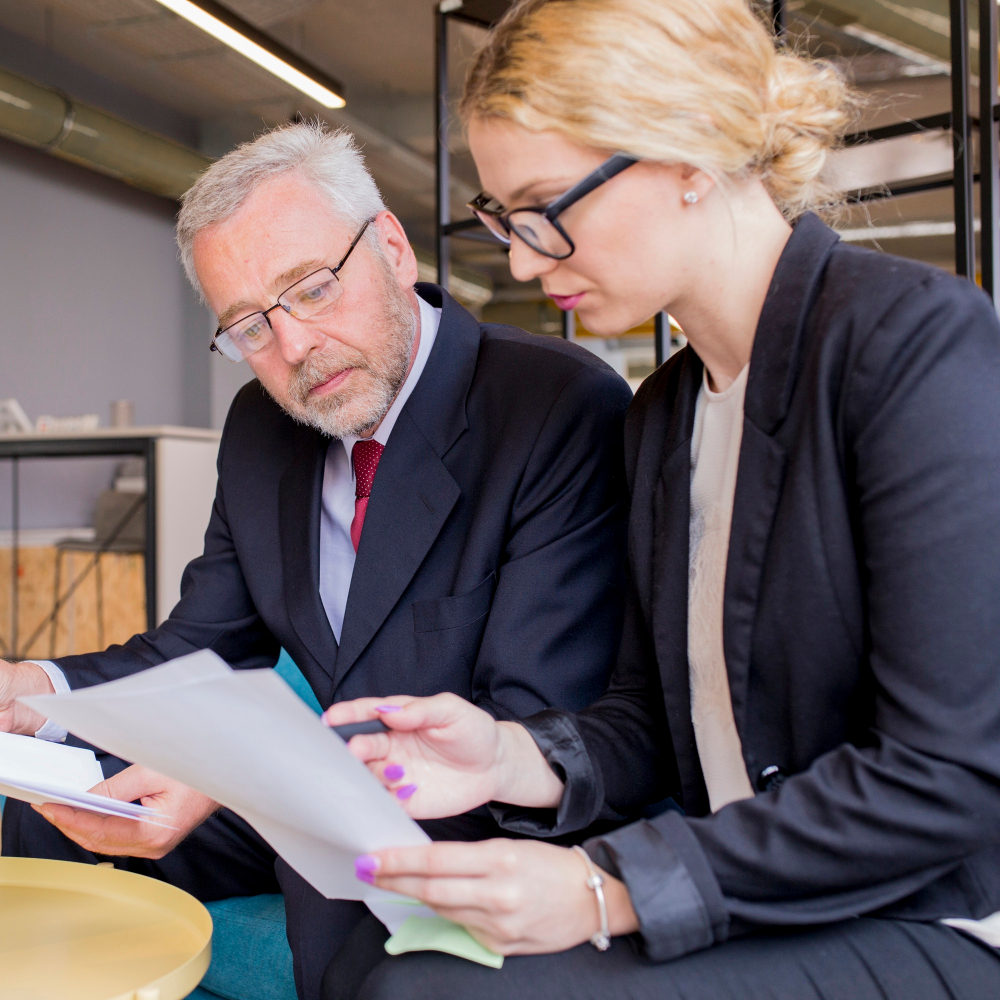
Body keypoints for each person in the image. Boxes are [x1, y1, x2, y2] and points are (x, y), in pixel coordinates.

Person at [318, 0, 1000, 997]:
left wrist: (605, 885)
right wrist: (506, 759)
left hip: (930, 911)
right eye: (504, 217)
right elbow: (652, 718)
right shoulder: (661, 415)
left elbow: (947, 779)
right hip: (757, 893)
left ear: (689, 153)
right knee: (405, 964)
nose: (518, 259)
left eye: (548, 206)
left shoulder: (909, 347)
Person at [0, 121, 633, 999]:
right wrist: (34, 695)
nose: (292, 348)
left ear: (391, 247)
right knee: (32, 825)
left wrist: (230, 780)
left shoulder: (553, 406)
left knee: (352, 954)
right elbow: (206, 645)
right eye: (249, 328)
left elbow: (530, 721)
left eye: (312, 289)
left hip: (469, 815)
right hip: (314, 795)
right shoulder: (266, 429)